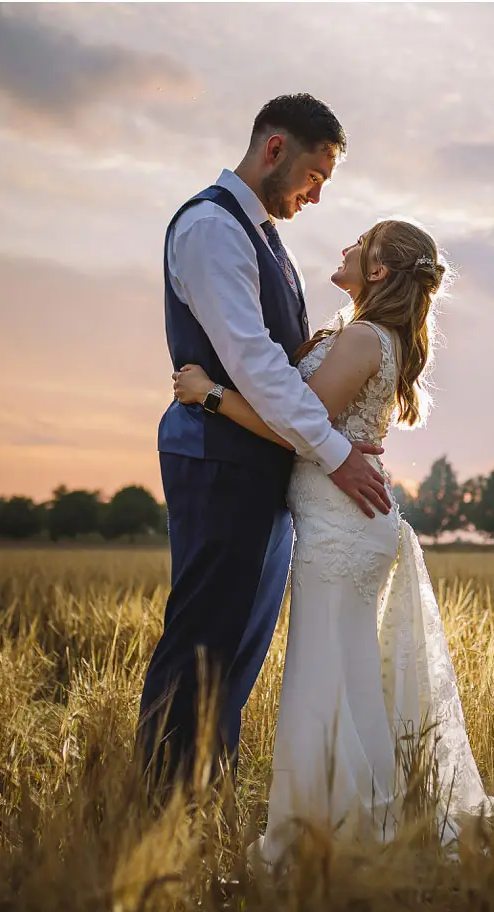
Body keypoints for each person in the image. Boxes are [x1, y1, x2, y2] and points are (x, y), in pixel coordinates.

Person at [173, 218, 494, 863]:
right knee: (344, 682)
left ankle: (334, 838)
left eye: (361, 243)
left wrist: (210, 395)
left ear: (378, 270)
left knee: (323, 682)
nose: (348, 246)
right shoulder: (366, 334)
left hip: (342, 529)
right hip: (345, 522)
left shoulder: (362, 338)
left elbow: (296, 424)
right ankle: (349, 825)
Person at [138, 94, 391, 793]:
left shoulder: (264, 235)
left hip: (261, 462)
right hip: (217, 456)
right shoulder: (212, 228)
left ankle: (202, 793)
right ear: (275, 149)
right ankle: (160, 800)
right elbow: (256, 364)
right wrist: (335, 455)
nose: (316, 196)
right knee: (204, 635)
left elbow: (287, 363)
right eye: (315, 176)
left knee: (239, 644)